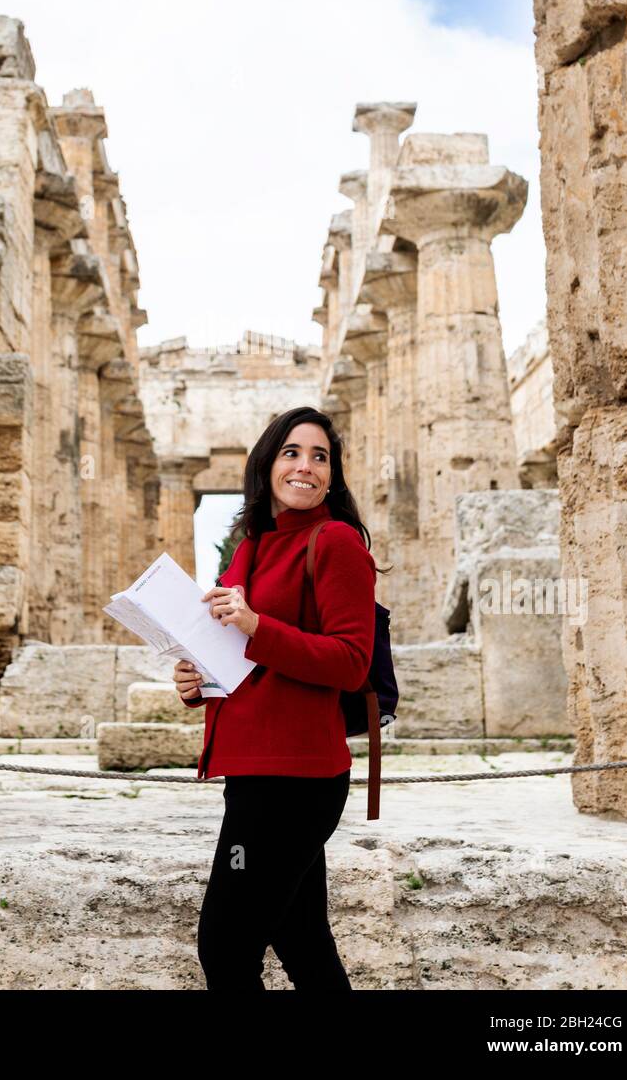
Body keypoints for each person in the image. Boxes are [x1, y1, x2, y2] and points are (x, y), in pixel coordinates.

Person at [172, 404, 388, 991]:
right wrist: (198, 683)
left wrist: (254, 627)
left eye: (321, 457)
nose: (306, 467)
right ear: (266, 465)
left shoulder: (337, 542)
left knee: (225, 947)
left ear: (333, 474)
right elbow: (243, 661)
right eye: (292, 453)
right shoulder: (251, 547)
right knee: (304, 944)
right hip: (252, 770)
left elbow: (349, 662)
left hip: (297, 781)